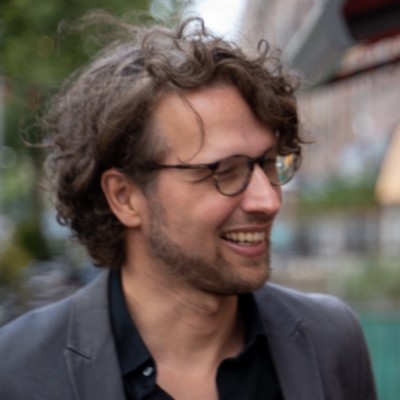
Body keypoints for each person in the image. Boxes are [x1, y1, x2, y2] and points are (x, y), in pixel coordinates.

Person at [0, 13, 376, 400]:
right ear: (124, 197)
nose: (268, 200)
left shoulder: (331, 342)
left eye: (268, 163)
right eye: (223, 171)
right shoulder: (17, 373)